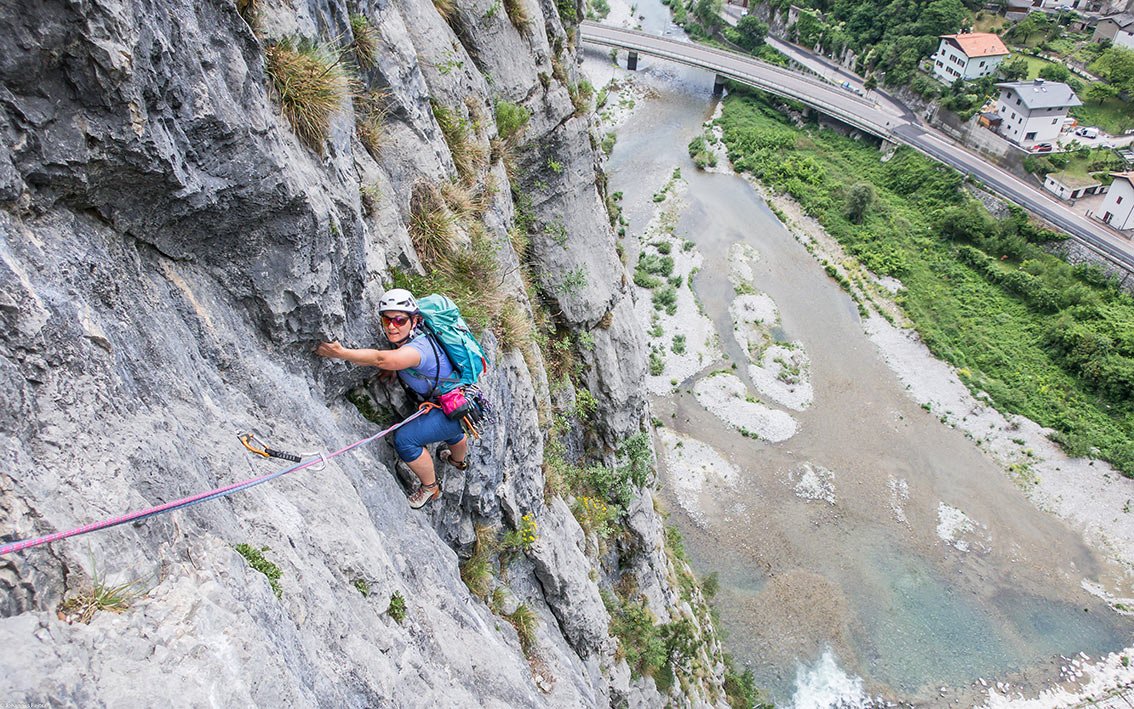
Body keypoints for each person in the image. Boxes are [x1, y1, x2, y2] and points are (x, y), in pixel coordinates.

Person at [316, 289, 468, 509]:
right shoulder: (421, 335)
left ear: (414, 320)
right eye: (387, 320)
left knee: (405, 440)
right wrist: (397, 369)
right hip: (459, 400)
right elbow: (403, 361)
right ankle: (458, 461)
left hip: (449, 408)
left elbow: (381, 358)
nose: (391, 326)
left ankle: (431, 487)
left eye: (399, 320)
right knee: (453, 431)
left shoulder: (416, 350)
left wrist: (340, 353)